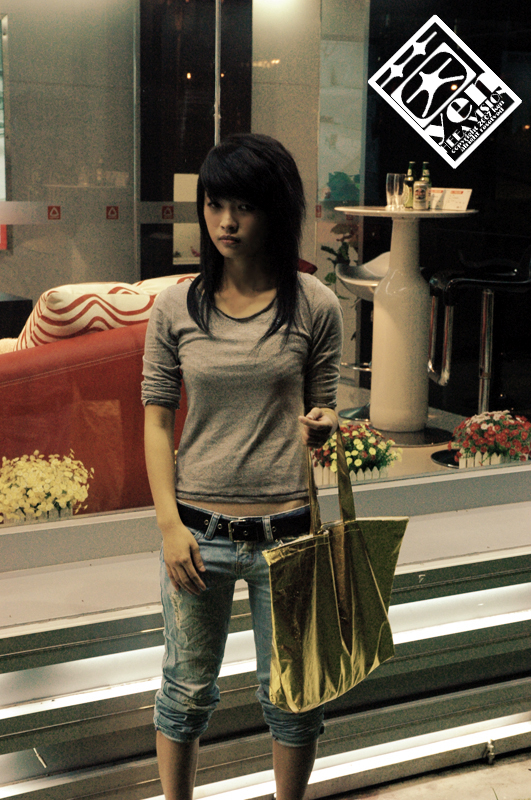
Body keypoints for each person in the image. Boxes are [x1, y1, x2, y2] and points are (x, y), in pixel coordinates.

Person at [142, 133, 343, 800]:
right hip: (198, 534)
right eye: (214, 204)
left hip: (289, 534)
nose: (225, 222)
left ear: (275, 210)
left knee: (293, 698)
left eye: (244, 207)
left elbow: (322, 409)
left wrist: (326, 425)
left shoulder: (315, 304)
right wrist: (169, 526)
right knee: (184, 691)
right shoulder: (176, 306)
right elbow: (156, 421)